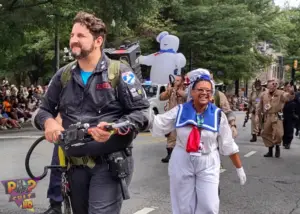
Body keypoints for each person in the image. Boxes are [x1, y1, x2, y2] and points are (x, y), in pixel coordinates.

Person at [32, 11, 150, 214]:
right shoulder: (64, 75)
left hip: (109, 165)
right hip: (74, 167)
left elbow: (143, 114)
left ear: (98, 40)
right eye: (72, 35)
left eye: (80, 36)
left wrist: (114, 128)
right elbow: (42, 111)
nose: (73, 40)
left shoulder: (120, 73)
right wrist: (48, 122)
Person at [149, 71, 246, 214]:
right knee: (183, 206)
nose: (204, 93)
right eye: (200, 90)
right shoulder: (180, 110)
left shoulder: (218, 115)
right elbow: (158, 123)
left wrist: (239, 168)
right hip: (182, 159)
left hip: (208, 161)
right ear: (191, 92)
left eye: (208, 90)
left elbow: (228, 144)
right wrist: (141, 109)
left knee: (209, 205)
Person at [256, 78, 294, 158]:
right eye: (271, 84)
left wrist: (291, 92)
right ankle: (270, 150)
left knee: (279, 134)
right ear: (268, 86)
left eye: (275, 84)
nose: (273, 86)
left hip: (277, 116)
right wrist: (257, 115)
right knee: (266, 133)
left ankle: (277, 146)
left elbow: (288, 97)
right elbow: (259, 105)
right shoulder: (263, 94)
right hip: (267, 116)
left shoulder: (281, 93)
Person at [159, 74, 186, 162]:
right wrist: (168, 91)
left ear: (182, 81)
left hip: (183, 117)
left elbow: (186, 96)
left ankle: (183, 155)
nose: (175, 82)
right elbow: (161, 98)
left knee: (183, 136)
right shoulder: (171, 91)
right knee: (171, 136)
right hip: (172, 117)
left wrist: (177, 89)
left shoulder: (186, 90)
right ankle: (170, 154)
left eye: (178, 80)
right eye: (175, 80)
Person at [282, 82, 298, 149]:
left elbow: (297, 103)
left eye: (289, 86)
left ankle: (288, 142)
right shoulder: (282, 94)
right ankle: (284, 141)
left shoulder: (293, 94)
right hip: (283, 113)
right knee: (283, 128)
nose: (288, 88)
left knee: (289, 129)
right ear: (285, 87)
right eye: (287, 86)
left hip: (291, 114)